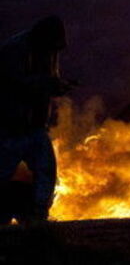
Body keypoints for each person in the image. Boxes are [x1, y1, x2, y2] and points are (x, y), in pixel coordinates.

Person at [0, 16, 75, 224]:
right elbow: (14, 84)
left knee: (45, 169)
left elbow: (46, 80)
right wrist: (47, 85)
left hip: (33, 126)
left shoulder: (46, 48)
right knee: (4, 170)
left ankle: (38, 215)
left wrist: (56, 86)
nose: (55, 52)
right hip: (10, 126)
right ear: (44, 37)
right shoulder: (13, 51)